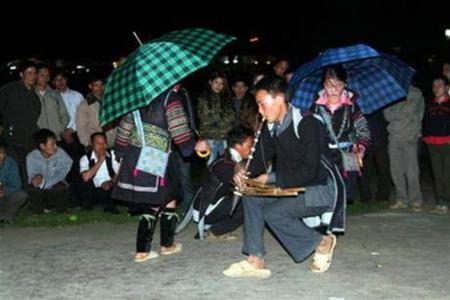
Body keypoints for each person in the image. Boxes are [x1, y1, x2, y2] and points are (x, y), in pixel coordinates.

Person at [223, 77, 338, 279]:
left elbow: (310, 171)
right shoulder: (272, 127)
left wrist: (272, 176)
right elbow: (257, 160)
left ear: (280, 99)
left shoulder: (307, 123)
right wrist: (241, 169)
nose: (259, 111)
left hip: (319, 190)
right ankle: (255, 259)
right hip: (292, 187)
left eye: (262, 104)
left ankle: (322, 242)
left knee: (275, 213)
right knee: (250, 194)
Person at [112, 85, 209, 262]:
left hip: (136, 155)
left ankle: (167, 244)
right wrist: (192, 147)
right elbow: (178, 128)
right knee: (154, 200)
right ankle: (142, 250)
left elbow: (124, 128)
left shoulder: (137, 97)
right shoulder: (170, 98)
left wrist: (120, 152)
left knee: (170, 195)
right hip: (154, 157)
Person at [310, 65, 370, 204]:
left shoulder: (352, 106)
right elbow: (310, 132)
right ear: (323, 85)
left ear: (345, 84)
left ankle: (336, 219)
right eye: (329, 85)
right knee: (324, 190)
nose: (334, 89)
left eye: (338, 85)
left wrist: (360, 149)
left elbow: (363, 130)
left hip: (348, 154)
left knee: (344, 192)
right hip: (323, 154)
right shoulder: (316, 107)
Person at [193, 125, 254, 240]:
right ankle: (215, 231)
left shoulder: (229, 159)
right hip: (205, 211)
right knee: (249, 200)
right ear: (237, 146)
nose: (252, 149)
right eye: (250, 146)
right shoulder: (224, 165)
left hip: (213, 206)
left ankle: (217, 227)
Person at [384, 84, 424, 211]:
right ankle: (401, 199)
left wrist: (399, 110)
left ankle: (416, 200)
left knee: (412, 171)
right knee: (396, 171)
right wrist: (403, 108)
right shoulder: (391, 92)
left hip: (410, 136)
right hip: (394, 136)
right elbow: (387, 115)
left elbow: (413, 111)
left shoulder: (416, 92)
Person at [0, 60, 41, 183]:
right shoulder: (9, 89)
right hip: (13, 138)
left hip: (30, 138)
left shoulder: (34, 94)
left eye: (34, 73)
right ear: (21, 74)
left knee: (29, 168)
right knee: (14, 167)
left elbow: (35, 115)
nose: (32, 76)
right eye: (29, 73)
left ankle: (29, 194)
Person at [26, 129, 72, 215]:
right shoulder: (32, 157)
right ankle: (37, 211)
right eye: (52, 144)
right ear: (42, 146)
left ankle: (62, 209)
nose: (55, 146)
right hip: (42, 192)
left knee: (60, 186)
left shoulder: (61, 154)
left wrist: (45, 183)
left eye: (55, 143)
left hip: (55, 189)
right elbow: (32, 177)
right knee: (32, 188)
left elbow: (61, 175)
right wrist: (35, 179)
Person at [423, 76, 450, 214]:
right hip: (432, 143)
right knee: (437, 174)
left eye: (440, 84)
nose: (436, 87)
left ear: (446, 87)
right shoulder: (430, 104)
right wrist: (426, 137)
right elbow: (425, 121)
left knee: (447, 174)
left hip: (447, 142)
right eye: (434, 85)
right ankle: (441, 201)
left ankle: (446, 200)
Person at [197, 72, 236, 166]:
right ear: (210, 82)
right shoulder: (203, 98)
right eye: (216, 82)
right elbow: (204, 119)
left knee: (226, 164)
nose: (218, 86)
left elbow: (232, 116)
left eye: (221, 83)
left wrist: (220, 120)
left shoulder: (226, 99)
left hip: (225, 137)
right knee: (211, 164)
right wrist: (222, 120)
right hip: (210, 137)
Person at [79, 132, 120, 213]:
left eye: (104, 143)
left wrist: (111, 182)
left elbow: (118, 172)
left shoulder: (112, 154)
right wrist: (100, 161)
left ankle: (109, 206)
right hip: (93, 188)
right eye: (98, 143)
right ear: (92, 144)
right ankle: (88, 205)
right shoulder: (85, 158)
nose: (102, 146)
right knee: (83, 182)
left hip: (109, 187)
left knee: (114, 187)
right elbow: (85, 177)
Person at [75, 75, 115, 149]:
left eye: (102, 85)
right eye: (96, 85)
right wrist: (87, 144)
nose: (99, 88)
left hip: (112, 142)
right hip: (95, 145)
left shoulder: (111, 101)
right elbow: (81, 128)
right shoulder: (85, 105)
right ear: (90, 86)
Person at [35, 64, 69, 141]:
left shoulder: (55, 94)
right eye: (42, 75)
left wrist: (59, 129)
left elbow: (65, 115)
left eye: (47, 75)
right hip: (38, 138)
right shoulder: (31, 94)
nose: (45, 78)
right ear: (36, 76)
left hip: (55, 137)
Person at [0, 139, 27, 222]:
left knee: (21, 195)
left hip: (3, 197)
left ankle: (7, 216)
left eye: (3, 153)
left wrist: (4, 191)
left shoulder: (10, 163)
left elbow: (17, 185)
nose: (2, 156)